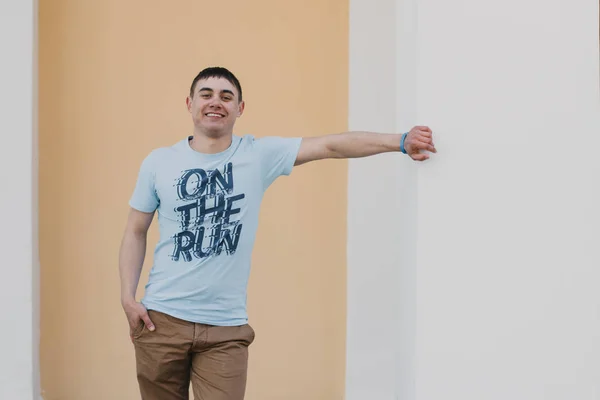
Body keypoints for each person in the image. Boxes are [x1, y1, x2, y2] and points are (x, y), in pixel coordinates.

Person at [118, 66, 436, 400]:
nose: (216, 102)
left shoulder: (257, 154)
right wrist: (128, 297)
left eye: (227, 96)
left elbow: (329, 145)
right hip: (162, 321)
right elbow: (135, 231)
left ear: (240, 108)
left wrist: (400, 141)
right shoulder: (159, 162)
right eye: (206, 94)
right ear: (189, 103)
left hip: (225, 328)